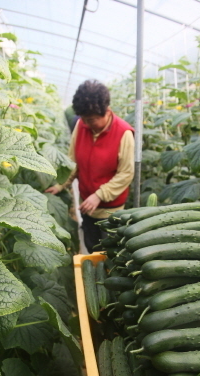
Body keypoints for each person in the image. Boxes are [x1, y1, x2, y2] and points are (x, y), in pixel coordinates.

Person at [45, 79, 135, 253]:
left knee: (112, 252)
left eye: (91, 120)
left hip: (111, 209)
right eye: (83, 119)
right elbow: (72, 161)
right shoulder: (82, 125)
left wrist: (99, 195)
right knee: (91, 246)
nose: (86, 124)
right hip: (86, 205)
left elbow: (126, 174)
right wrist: (60, 185)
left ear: (107, 111)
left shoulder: (124, 133)